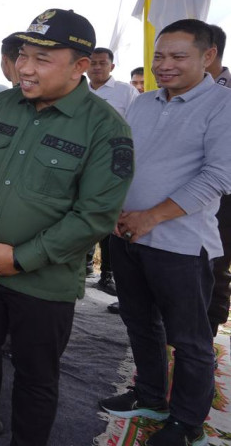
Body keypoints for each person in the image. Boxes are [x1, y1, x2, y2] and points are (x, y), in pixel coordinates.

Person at [0, 9, 133, 446]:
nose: (24, 67)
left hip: (44, 281)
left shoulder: (106, 128)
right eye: (24, 54)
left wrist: (21, 259)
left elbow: (95, 215)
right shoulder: (2, 104)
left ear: (81, 66)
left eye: (42, 60)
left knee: (36, 373)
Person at [99, 20, 231, 446]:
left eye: (178, 57)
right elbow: (125, 158)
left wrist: (151, 216)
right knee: (140, 323)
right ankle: (151, 395)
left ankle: (187, 420)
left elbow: (218, 176)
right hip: (128, 235)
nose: (164, 66)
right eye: (159, 56)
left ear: (208, 57)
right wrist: (117, 207)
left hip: (180, 245)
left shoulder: (222, 106)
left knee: (189, 339)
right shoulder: (143, 102)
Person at [86, 46, 139, 295]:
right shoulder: (76, 89)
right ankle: (81, 266)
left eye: (102, 63)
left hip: (111, 166)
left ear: (112, 66)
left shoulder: (125, 93)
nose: (97, 67)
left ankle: (107, 274)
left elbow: (136, 129)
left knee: (108, 219)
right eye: (93, 63)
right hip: (80, 164)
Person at [205, 24, 231, 340]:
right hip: (183, 195)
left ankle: (206, 336)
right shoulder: (179, 92)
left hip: (225, 195)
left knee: (214, 262)